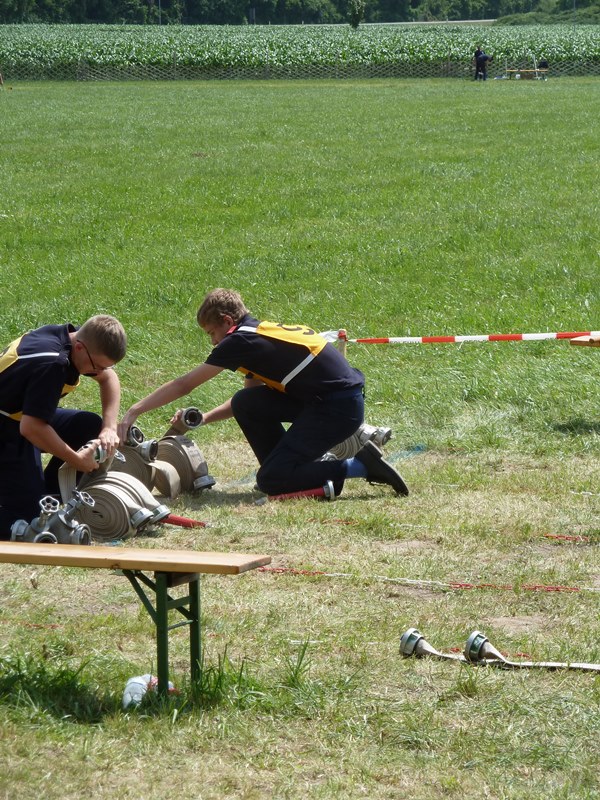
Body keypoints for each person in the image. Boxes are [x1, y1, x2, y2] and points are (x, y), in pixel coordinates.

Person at [118, 289, 408, 498]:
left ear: (226, 320)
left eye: (211, 333)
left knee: (270, 480)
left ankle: (361, 465)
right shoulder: (257, 334)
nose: (214, 342)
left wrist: (134, 411)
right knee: (246, 402)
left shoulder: (239, 341)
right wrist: (203, 418)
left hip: (337, 408)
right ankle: (291, 472)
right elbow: (250, 402)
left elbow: (185, 384)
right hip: (333, 401)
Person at [0, 315, 127, 539]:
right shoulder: (53, 363)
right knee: (28, 520)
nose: (99, 371)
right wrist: (76, 459)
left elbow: (109, 378)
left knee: (88, 426)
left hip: (20, 416)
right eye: (97, 366)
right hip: (11, 425)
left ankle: (49, 495)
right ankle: (29, 503)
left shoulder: (76, 339)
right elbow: (31, 428)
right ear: (79, 347)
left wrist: (109, 427)